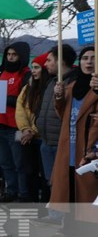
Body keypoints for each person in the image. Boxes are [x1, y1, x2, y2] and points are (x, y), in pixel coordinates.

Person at [48, 47, 98, 237]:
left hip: (89, 148)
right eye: (85, 58)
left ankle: (91, 235)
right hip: (69, 147)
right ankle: (70, 229)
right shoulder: (72, 87)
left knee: (88, 191)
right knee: (69, 189)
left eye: (94, 58)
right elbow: (62, 114)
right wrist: (58, 97)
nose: (89, 62)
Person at [34, 44, 77, 224]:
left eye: (50, 60)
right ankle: (55, 214)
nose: (46, 64)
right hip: (46, 139)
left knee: (60, 180)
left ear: (61, 61)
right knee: (50, 180)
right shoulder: (52, 82)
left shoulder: (73, 83)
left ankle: (63, 218)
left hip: (60, 140)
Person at [0, 42, 30, 203]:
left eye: (14, 55)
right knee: (6, 162)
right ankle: (10, 191)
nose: (11, 57)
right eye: (8, 54)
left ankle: (23, 193)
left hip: (17, 126)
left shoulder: (26, 74)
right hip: (0, 124)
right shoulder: (2, 73)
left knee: (20, 162)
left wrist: (3, 98)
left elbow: (25, 100)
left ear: (21, 56)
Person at [15, 53, 50, 202]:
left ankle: (45, 204)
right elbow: (20, 107)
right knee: (29, 171)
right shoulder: (28, 87)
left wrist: (33, 131)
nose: (33, 71)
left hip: (43, 138)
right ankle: (32, 201)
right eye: (32, 68)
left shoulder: (49, 87)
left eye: (36, 68)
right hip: (28, 136)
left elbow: (46, 113)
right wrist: (25, 129)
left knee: (45, 173)